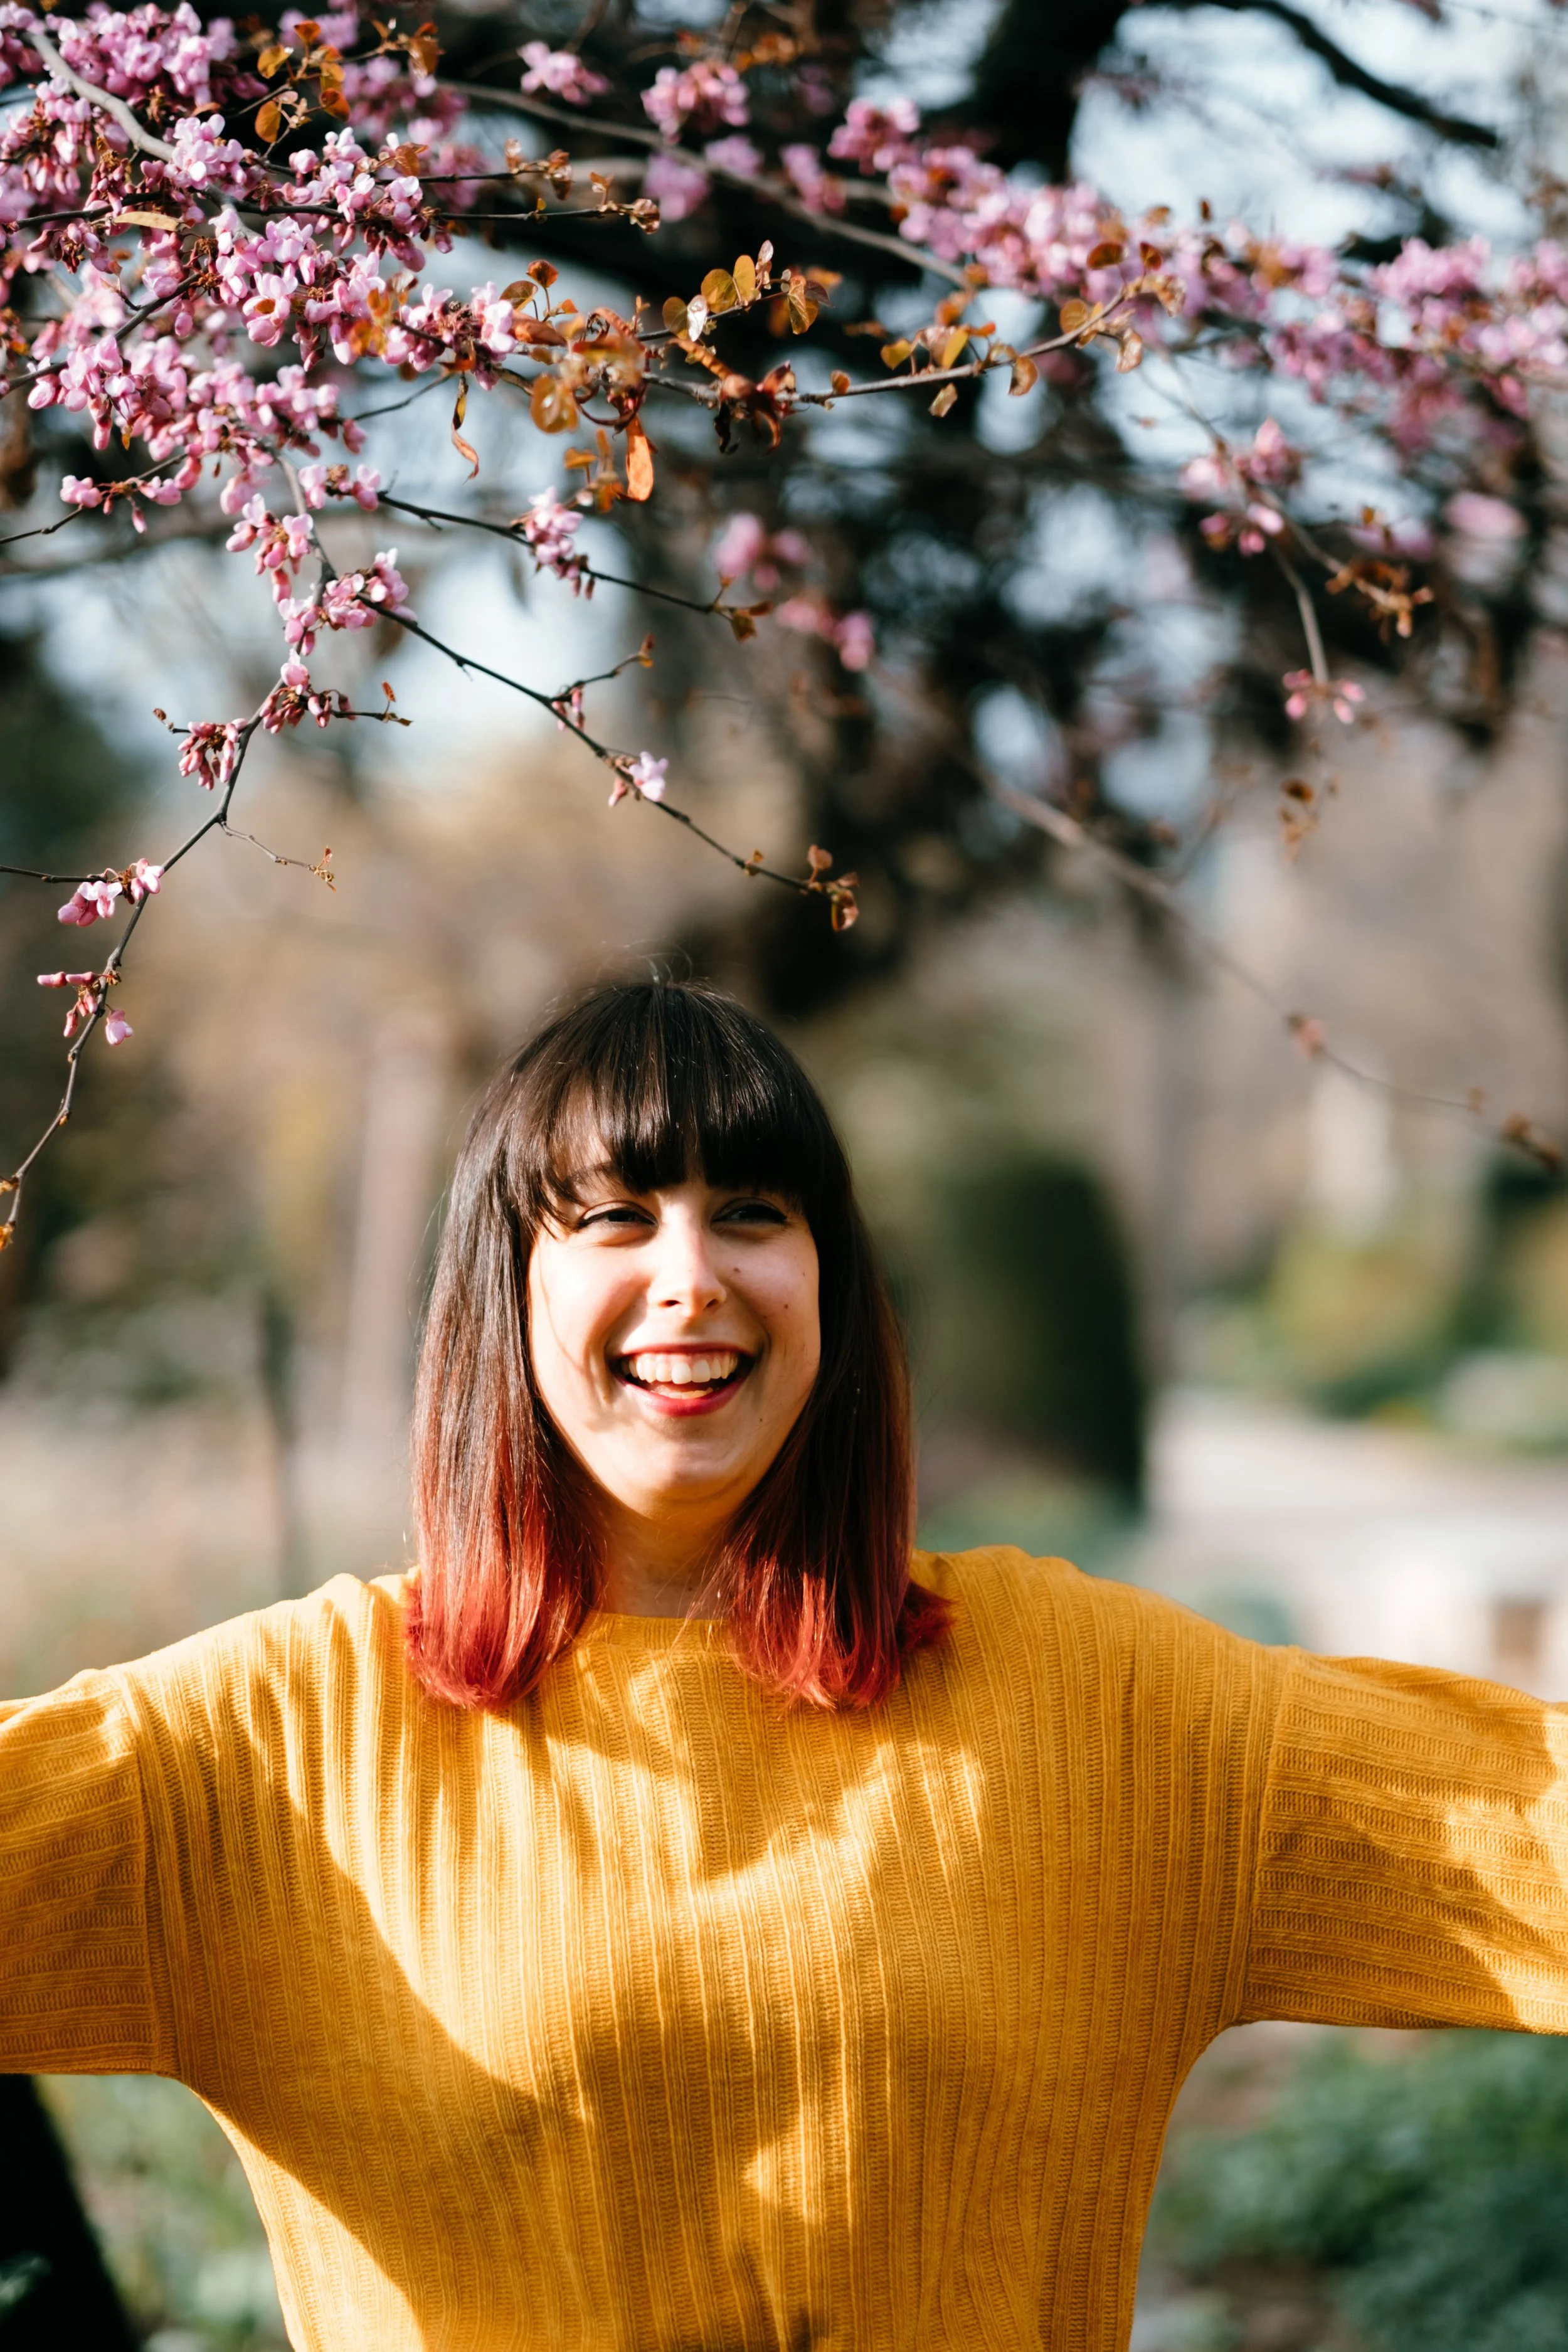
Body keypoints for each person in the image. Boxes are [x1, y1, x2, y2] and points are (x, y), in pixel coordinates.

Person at [3, 977, 1568, 2352]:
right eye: (615, 1216)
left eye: (751, 1211)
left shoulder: (1096, 1707)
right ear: (507, 1285)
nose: (691, 1273)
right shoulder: (275, 1744)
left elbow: (1526, 1828)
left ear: (828, 1279)